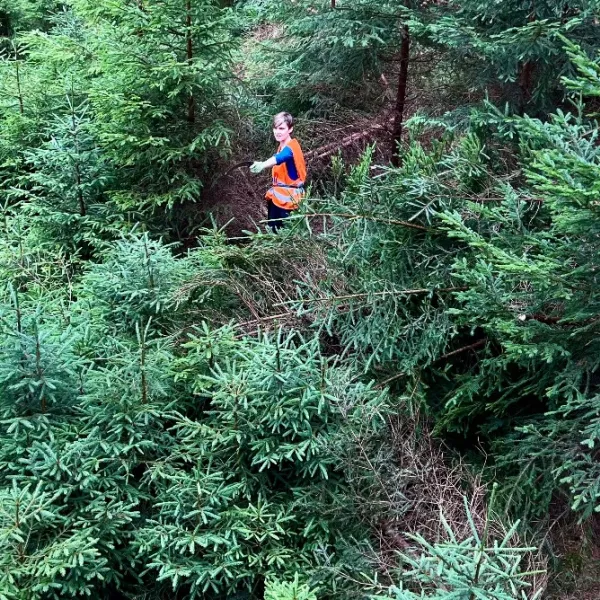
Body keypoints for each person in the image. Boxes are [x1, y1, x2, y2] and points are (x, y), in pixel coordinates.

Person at [250, 112, 307, 232]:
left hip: (290, 204)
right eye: (275, 128)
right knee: (273, 234)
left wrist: (263, 164)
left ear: (290, 129)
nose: (277, 131)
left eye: (281, 128)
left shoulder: (292, 148)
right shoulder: (282, 146)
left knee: (286, 237)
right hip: (278, 201)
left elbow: (280, 158)